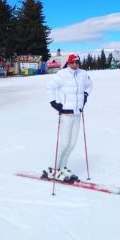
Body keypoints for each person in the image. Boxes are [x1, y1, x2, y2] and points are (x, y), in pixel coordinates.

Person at [44, 53, 93, 181]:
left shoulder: (82, 74)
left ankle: (63, 167)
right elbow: (50, 88)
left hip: (77, 113)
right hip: (66, 113)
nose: (75, 65)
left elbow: (90, 85)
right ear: (68, 63)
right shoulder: (62, 75)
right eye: (72, 62)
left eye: (77, 62)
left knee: (71, 144)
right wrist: (54, 103)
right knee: (64, 143)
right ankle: (53, 169)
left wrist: (86, 96)